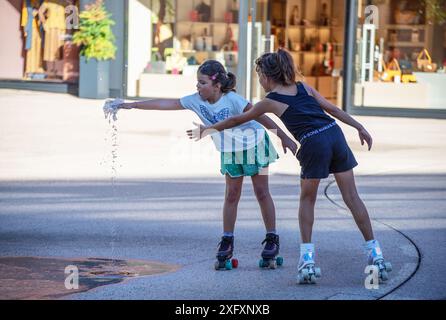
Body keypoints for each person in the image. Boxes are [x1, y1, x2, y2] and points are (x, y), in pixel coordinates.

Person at [188, 49, 392, 283]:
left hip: (313, 142)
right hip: (335, 135)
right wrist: (359, 127)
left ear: (266, 76)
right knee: (352, 197)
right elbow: (333, 110)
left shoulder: (271, 100)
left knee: (307, 200)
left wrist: (208, 129)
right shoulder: (304, 87)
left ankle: (307, 259)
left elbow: (237, 120)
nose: (259, 80)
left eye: (259, 75)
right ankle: (375, 254)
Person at [105, 60, 297, 270]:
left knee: (262, 192)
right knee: (232, 195)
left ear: (216, 85)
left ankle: (271, 238)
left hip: (254, 144)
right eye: (197, 82)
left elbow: (260, 116)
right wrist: (131, 104)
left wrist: (283, 137)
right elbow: (167, 104)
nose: (197, 86)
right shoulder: (196, 100)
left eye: (202, 82)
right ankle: (227, 239)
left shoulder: (232, 99)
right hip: (230, 151)